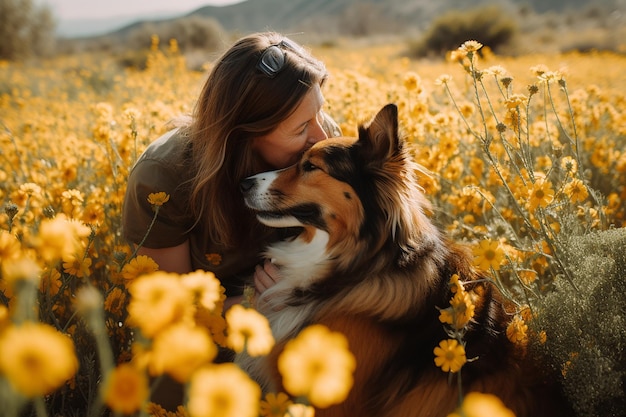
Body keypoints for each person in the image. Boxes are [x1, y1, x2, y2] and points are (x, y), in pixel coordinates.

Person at [122, 31, 341, 311]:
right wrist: (261, 303)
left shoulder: (320, 146)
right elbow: (168, 309)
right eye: (301, 129)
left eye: (320, 112)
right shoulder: (162, 176)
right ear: (244, 134)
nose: (322, 136)